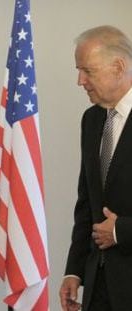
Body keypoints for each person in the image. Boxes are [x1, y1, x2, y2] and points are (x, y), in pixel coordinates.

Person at [59, 25, 132, 311]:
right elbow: (87, 203)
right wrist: (74, 271)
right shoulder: (91, 120)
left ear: (118, 66)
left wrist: (121, 231)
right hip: (98, 288)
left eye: (87, 71)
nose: (80, 81)